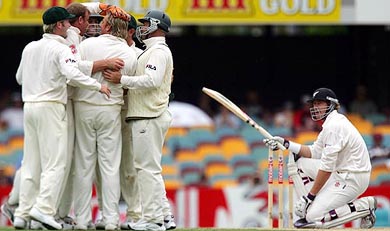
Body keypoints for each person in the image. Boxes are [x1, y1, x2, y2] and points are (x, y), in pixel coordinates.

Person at [13, 6, 110, 230]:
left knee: (31, 163)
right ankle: (44, 210)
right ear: (59, 26)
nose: (70, 27)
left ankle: (23, 213)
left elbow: (20, 78)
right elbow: (73, 75)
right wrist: (98, 86)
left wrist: (39, 78)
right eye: (67, 23)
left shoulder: (30, 47)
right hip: (51, 106)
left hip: (30, 107)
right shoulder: (60, 48)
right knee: (56, 163)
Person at [103, 9, 176, 231]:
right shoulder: (153, 51)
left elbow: (152, 81)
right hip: (149, 114)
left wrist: (122, 79)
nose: (142, 27)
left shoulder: (158, 52)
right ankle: (163, 216)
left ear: (156, 25)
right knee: (150, 168)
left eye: (146, 23)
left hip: (148, 115)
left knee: (146, 169)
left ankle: (152, 220)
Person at [263, 87, 377, 229]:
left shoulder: (334, 126)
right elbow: (315, 152)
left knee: (313, 217)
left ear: (331, 105)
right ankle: (311, 207)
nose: (315, 107)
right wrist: (286, 143)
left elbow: (326, 168)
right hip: (341, 173)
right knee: (300, 162)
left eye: (319, 103)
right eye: (314, 104)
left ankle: (365, 206)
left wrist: (309, 197)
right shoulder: (330, 124)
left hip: (353, 178)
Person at [72, 10, 137, 230]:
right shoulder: (129, 54)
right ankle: (111, 220)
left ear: (108, 27)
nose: (99, 26)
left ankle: (81, 220)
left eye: (103, 23)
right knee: (110, 166)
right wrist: (104, 65)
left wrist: (96, 66)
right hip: (111, 109)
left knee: (84, 165)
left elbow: (72, 68)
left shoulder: (87, 46)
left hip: (84, 106)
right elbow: (130, 84)